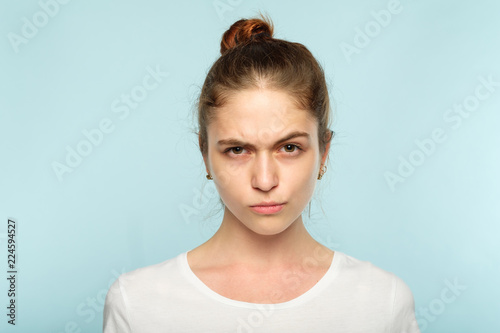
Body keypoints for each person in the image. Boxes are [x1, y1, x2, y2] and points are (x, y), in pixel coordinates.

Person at [103, 16, 421, 333]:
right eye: (238, 150)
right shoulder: (138, 304)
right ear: (205, 154)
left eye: (289, 148)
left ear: (324, 152)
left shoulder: (382, 303)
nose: (265, 181)